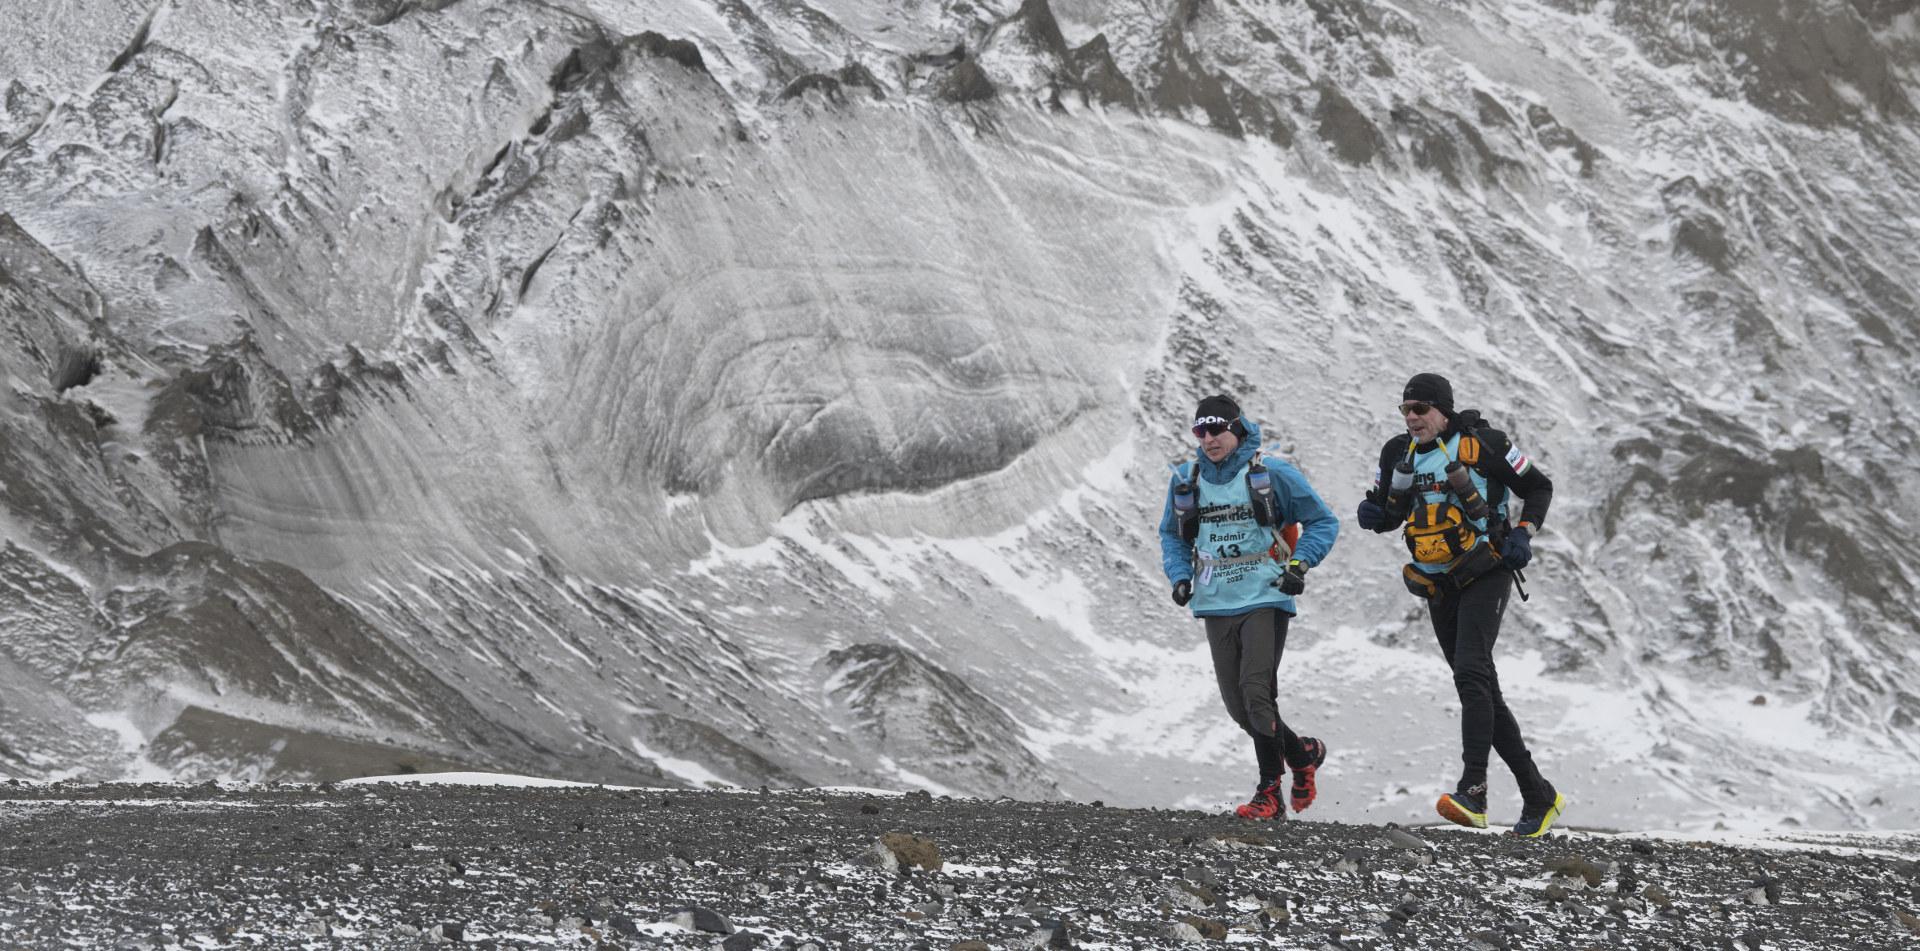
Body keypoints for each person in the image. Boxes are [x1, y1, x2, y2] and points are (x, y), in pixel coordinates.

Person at [1355, 372, 1566, 837]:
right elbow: (1390, 513)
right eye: (1405, 409)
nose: (1412, 418)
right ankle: (1538, 794)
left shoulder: (1484, 444)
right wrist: (1374, 515)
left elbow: (1538, 486)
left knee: (1471, 671)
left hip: (1487, 570)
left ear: (1443, 410)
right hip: (1436, 582)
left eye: (1421, 409)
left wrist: (1522, 533)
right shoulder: (1396, 454)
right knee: (1481, 687)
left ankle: (1474, 791)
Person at [1159, 395, 1340, 820]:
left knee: (1257, 693)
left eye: (1216, 429)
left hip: (1265, 592)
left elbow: (1323, 521)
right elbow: (1171, 534)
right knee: (1239, 707)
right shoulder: (1186, 479)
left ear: (1237, 428)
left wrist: (1300, 564)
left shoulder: (1271, 472)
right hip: (1214, 599)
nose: (1208, 439)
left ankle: (1269, 794)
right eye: (1199, 431)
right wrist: (1180, 575)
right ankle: (1303, 753)